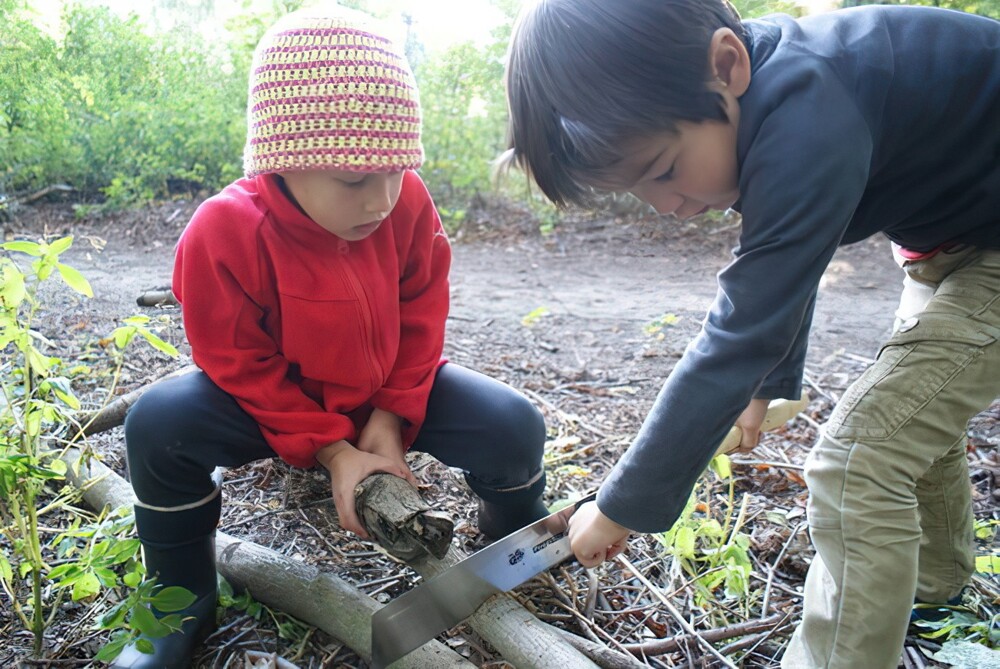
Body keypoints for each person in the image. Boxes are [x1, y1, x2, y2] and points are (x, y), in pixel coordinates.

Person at [502, 1, 999, 667]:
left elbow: (739, 330)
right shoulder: (780, 97)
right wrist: (762, 387)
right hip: (955, 239)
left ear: (726, 65)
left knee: (861, 455)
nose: (670, 208)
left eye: (666, 171)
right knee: (911, 415)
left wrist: (618, 505)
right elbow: (787, 260)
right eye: (642, 194)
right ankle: (937, 597)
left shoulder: (810, 113)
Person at [114, 8, 548, 668]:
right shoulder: (225, 231)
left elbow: (422, 311)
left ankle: (510, 552)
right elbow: (234, 357)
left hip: (382, 393)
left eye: (396, 170)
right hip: (274, 403)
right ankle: (178, 595)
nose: (380, 200)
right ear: (283, 161)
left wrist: (389, 417)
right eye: (353, 181)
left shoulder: (406, 203)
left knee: (513, 424)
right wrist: (331, 449)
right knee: (157, 424)